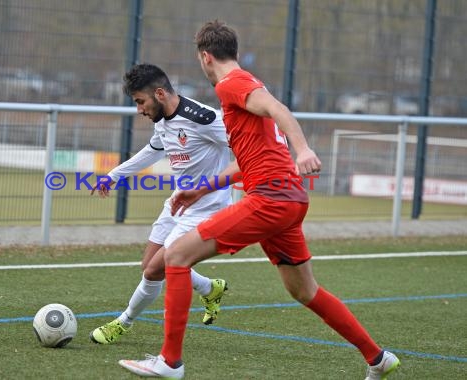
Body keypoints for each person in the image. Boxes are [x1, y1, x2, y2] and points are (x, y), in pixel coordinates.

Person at [118, 20, 401, 380]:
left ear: (206, 57)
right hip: (288, 200)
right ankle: (377, 358)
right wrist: (201, 188)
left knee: (175, 256)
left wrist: (303, 149)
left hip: (271, 198)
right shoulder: (241, 86)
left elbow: (278, 109)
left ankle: (170, 362)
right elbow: (245, 162)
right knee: (305, 290)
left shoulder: (233, 84)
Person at [89, 63, 231, 344]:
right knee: (149, 265)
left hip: (205, 210)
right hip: (176, 206)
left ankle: (122, 323)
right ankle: (210, 288)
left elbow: (243, 143)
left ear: (160, 94)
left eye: (141, 102)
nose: (139, 109)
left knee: (155, 270)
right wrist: (114, 176)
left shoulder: (203, 118)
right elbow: (152, 151)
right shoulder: (163, 121)